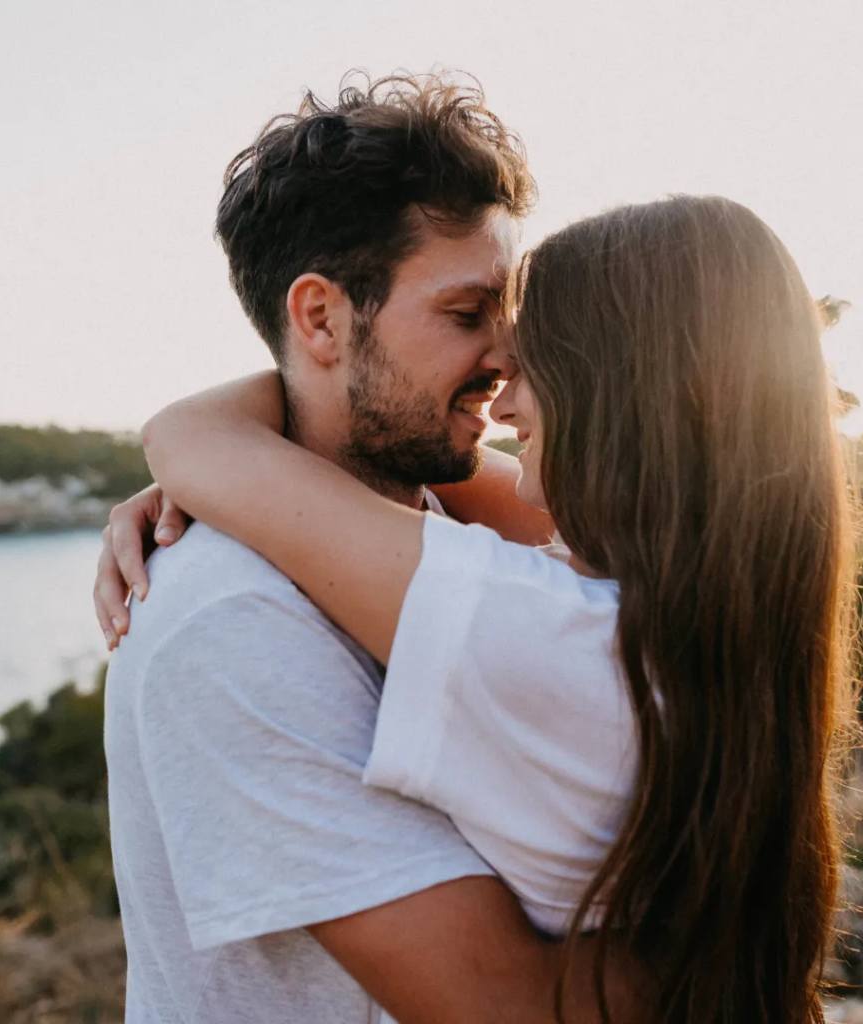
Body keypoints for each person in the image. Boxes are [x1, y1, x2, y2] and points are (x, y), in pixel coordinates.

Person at [100, 194, 863, 1024]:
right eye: (469, 314)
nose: (503, 389)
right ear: (319, 315)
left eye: (537, 355)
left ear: (625, 398)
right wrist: (262, 462)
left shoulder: (551, 627)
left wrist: (249, 451)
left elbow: (189, 436)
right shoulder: (710, 611)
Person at [99, 71, 639, 1024]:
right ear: (319, 318)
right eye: (468, 315)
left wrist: (210, 441)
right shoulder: (232, 620)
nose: (510, 358)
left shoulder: (466, 536)